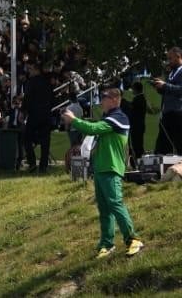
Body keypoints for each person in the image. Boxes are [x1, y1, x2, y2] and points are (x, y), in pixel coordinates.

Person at [61, 89, 144, 259]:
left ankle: (133, 239)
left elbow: (93, 129)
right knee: (104, 209)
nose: (101, 102)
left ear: (114, 100)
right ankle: (107, 244)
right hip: (101, 169)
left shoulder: (119, 117)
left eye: (104, 99)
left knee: (115, 203)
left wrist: (74, 120)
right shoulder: (109, 118)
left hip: (111, 168)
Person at [152, 47, 182, 156]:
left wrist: (165, 85)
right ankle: (161, 163)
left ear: (178, 56)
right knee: (163, 143)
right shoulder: (173, 72)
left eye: (170, 58)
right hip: (169, 112)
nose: (168, 61)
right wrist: (160, 87)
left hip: (180, 112)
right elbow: (170, 90)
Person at [125, 81, 148, 168]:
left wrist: (126, 103)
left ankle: (139, 163)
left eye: (133, 89)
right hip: (138, 126)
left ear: (136, 89)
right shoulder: (140, 98)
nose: (132, 91)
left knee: (137, 146)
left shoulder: (139, 99)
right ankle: (138, 163)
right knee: (137, 146)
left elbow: (132, 109)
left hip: (137, 126)